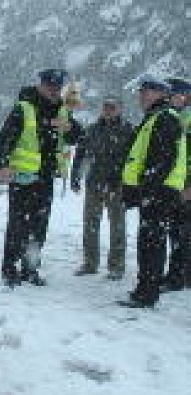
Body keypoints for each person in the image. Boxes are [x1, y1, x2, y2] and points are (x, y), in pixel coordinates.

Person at [0, 68, 84, 287]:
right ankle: (10, 269)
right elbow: (2, 142)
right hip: (22, 179)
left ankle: (30, 268)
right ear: (40, 85)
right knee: (17, 225)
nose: (54, 91)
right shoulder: (24, 108)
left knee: (38, 227)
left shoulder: (62, 110)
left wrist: (70, 126)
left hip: (45, 179)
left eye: (58, 87)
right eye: (50, 86)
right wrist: (2, 165)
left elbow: (79, 135)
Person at [118, 74, 187, 308]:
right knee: (149, 242)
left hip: (159, 194)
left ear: (161, 94)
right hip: (156, 192)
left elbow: (161, 161)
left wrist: (146, 190)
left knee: (151, 243)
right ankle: (146, 289)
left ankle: (146, 293)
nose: (141, 95)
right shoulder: (156, 117)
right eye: (141, 91)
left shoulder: (165, 118)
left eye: (147, 91)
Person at [69, 95, 135, 279]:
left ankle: (116, 266)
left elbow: (134, 158)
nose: (108, 110)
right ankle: (90, 263)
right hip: (94, 183)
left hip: (117, 185)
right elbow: (80, 153)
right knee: (90, 225)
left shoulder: (129, 130)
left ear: (120, 109)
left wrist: (130, 182)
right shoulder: (92, 129)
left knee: (117, 227)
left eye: (112, 107)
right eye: (106, 107)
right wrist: (76, 175)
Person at [162, 76, 191, 291]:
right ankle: (181, 275)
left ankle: (177, 277)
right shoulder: (177, 117)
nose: (170, 98)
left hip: (186, 187)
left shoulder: (187, 119)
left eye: (174, 95)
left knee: (182, 233)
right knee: (178, 232)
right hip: (176, 185)